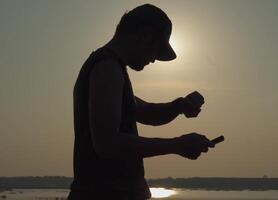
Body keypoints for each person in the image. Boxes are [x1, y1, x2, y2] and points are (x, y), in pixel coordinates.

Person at [67, 4, 215, 200]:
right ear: (144, 35)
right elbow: (107, 143)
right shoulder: (107, 69)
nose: (154, 59)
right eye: (156, 50)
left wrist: (179, 106)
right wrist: (177, 145)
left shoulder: (112, 68)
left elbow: (145, 112)